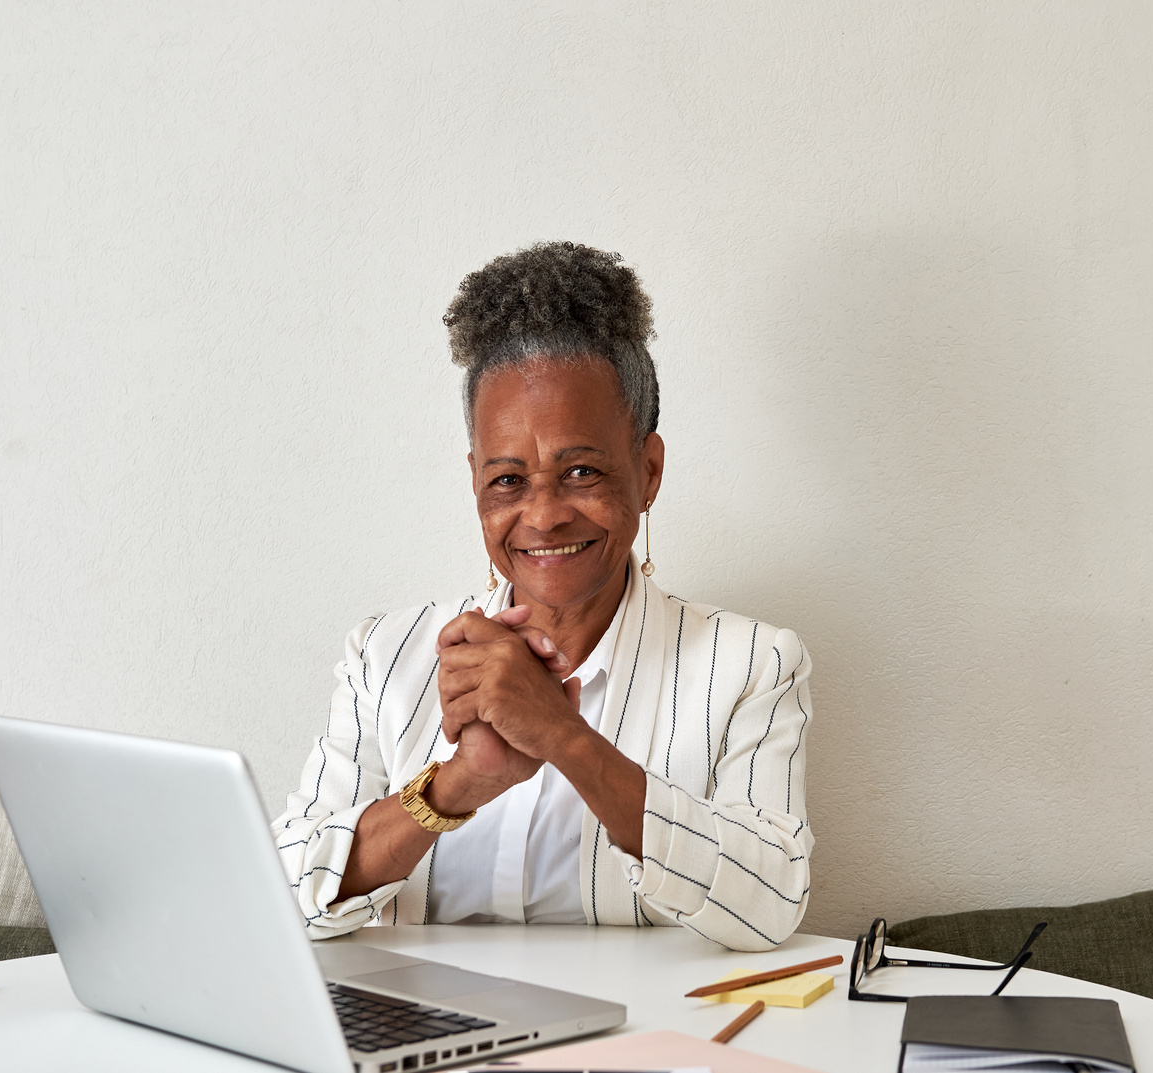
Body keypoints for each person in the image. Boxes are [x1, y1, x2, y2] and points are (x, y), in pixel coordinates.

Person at [273, 242, 813, 952]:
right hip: (420, 1047)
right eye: (506, 480)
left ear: (646, 471)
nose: (544, 514)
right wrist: (456, 785)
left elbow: (770, 901)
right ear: (474, 481)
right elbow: (283, 895)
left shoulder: (751, 662)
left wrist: (564, 739)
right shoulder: (386, 654)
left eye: (581, 470)